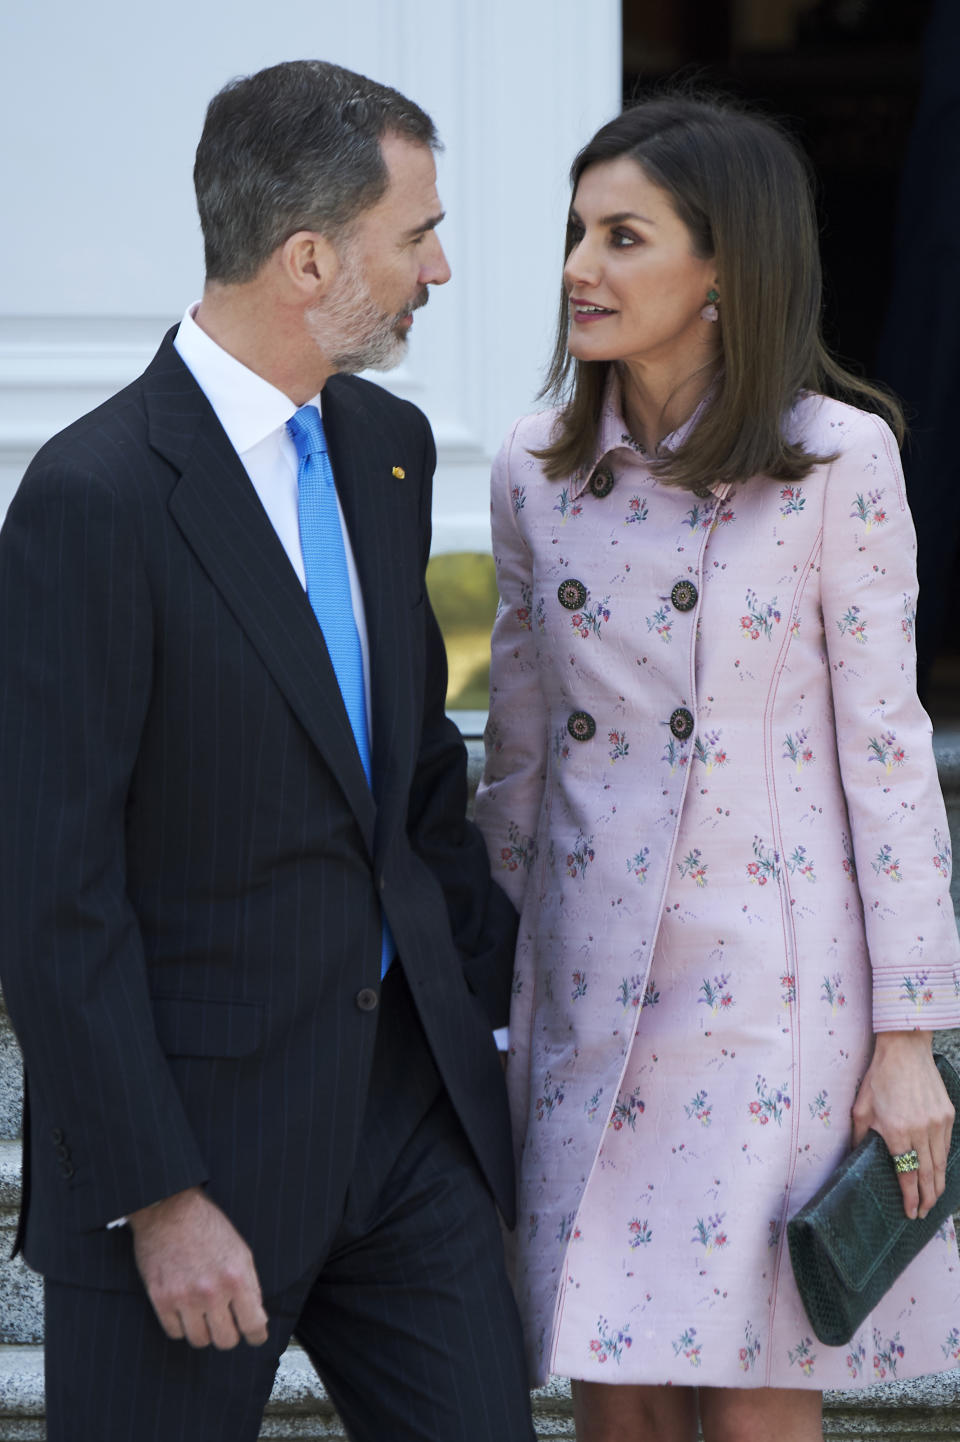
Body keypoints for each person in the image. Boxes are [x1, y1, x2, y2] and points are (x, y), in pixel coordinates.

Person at [0, 59, 534, 1442]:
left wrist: (488, 1028)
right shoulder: (93, 495)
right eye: (414, 236)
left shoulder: (390, 447)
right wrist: (156, 1194)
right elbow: (53, 891)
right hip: (193, 1163)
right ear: (309, 259)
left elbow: (416, 784)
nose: (441, 269)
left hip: (409, 1140)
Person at [474, 93, 960, 1442]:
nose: (581, 266)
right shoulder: (532, 467)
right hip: (588, 984)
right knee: (614, 1383)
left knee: (753, 1394)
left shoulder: (837, 460)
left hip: (774, 988)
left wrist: (910, 1035)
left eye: (623, 236)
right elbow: (517, 756)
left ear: (726, 275)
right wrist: (481, 975)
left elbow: (887, 751)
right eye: (577, 231)